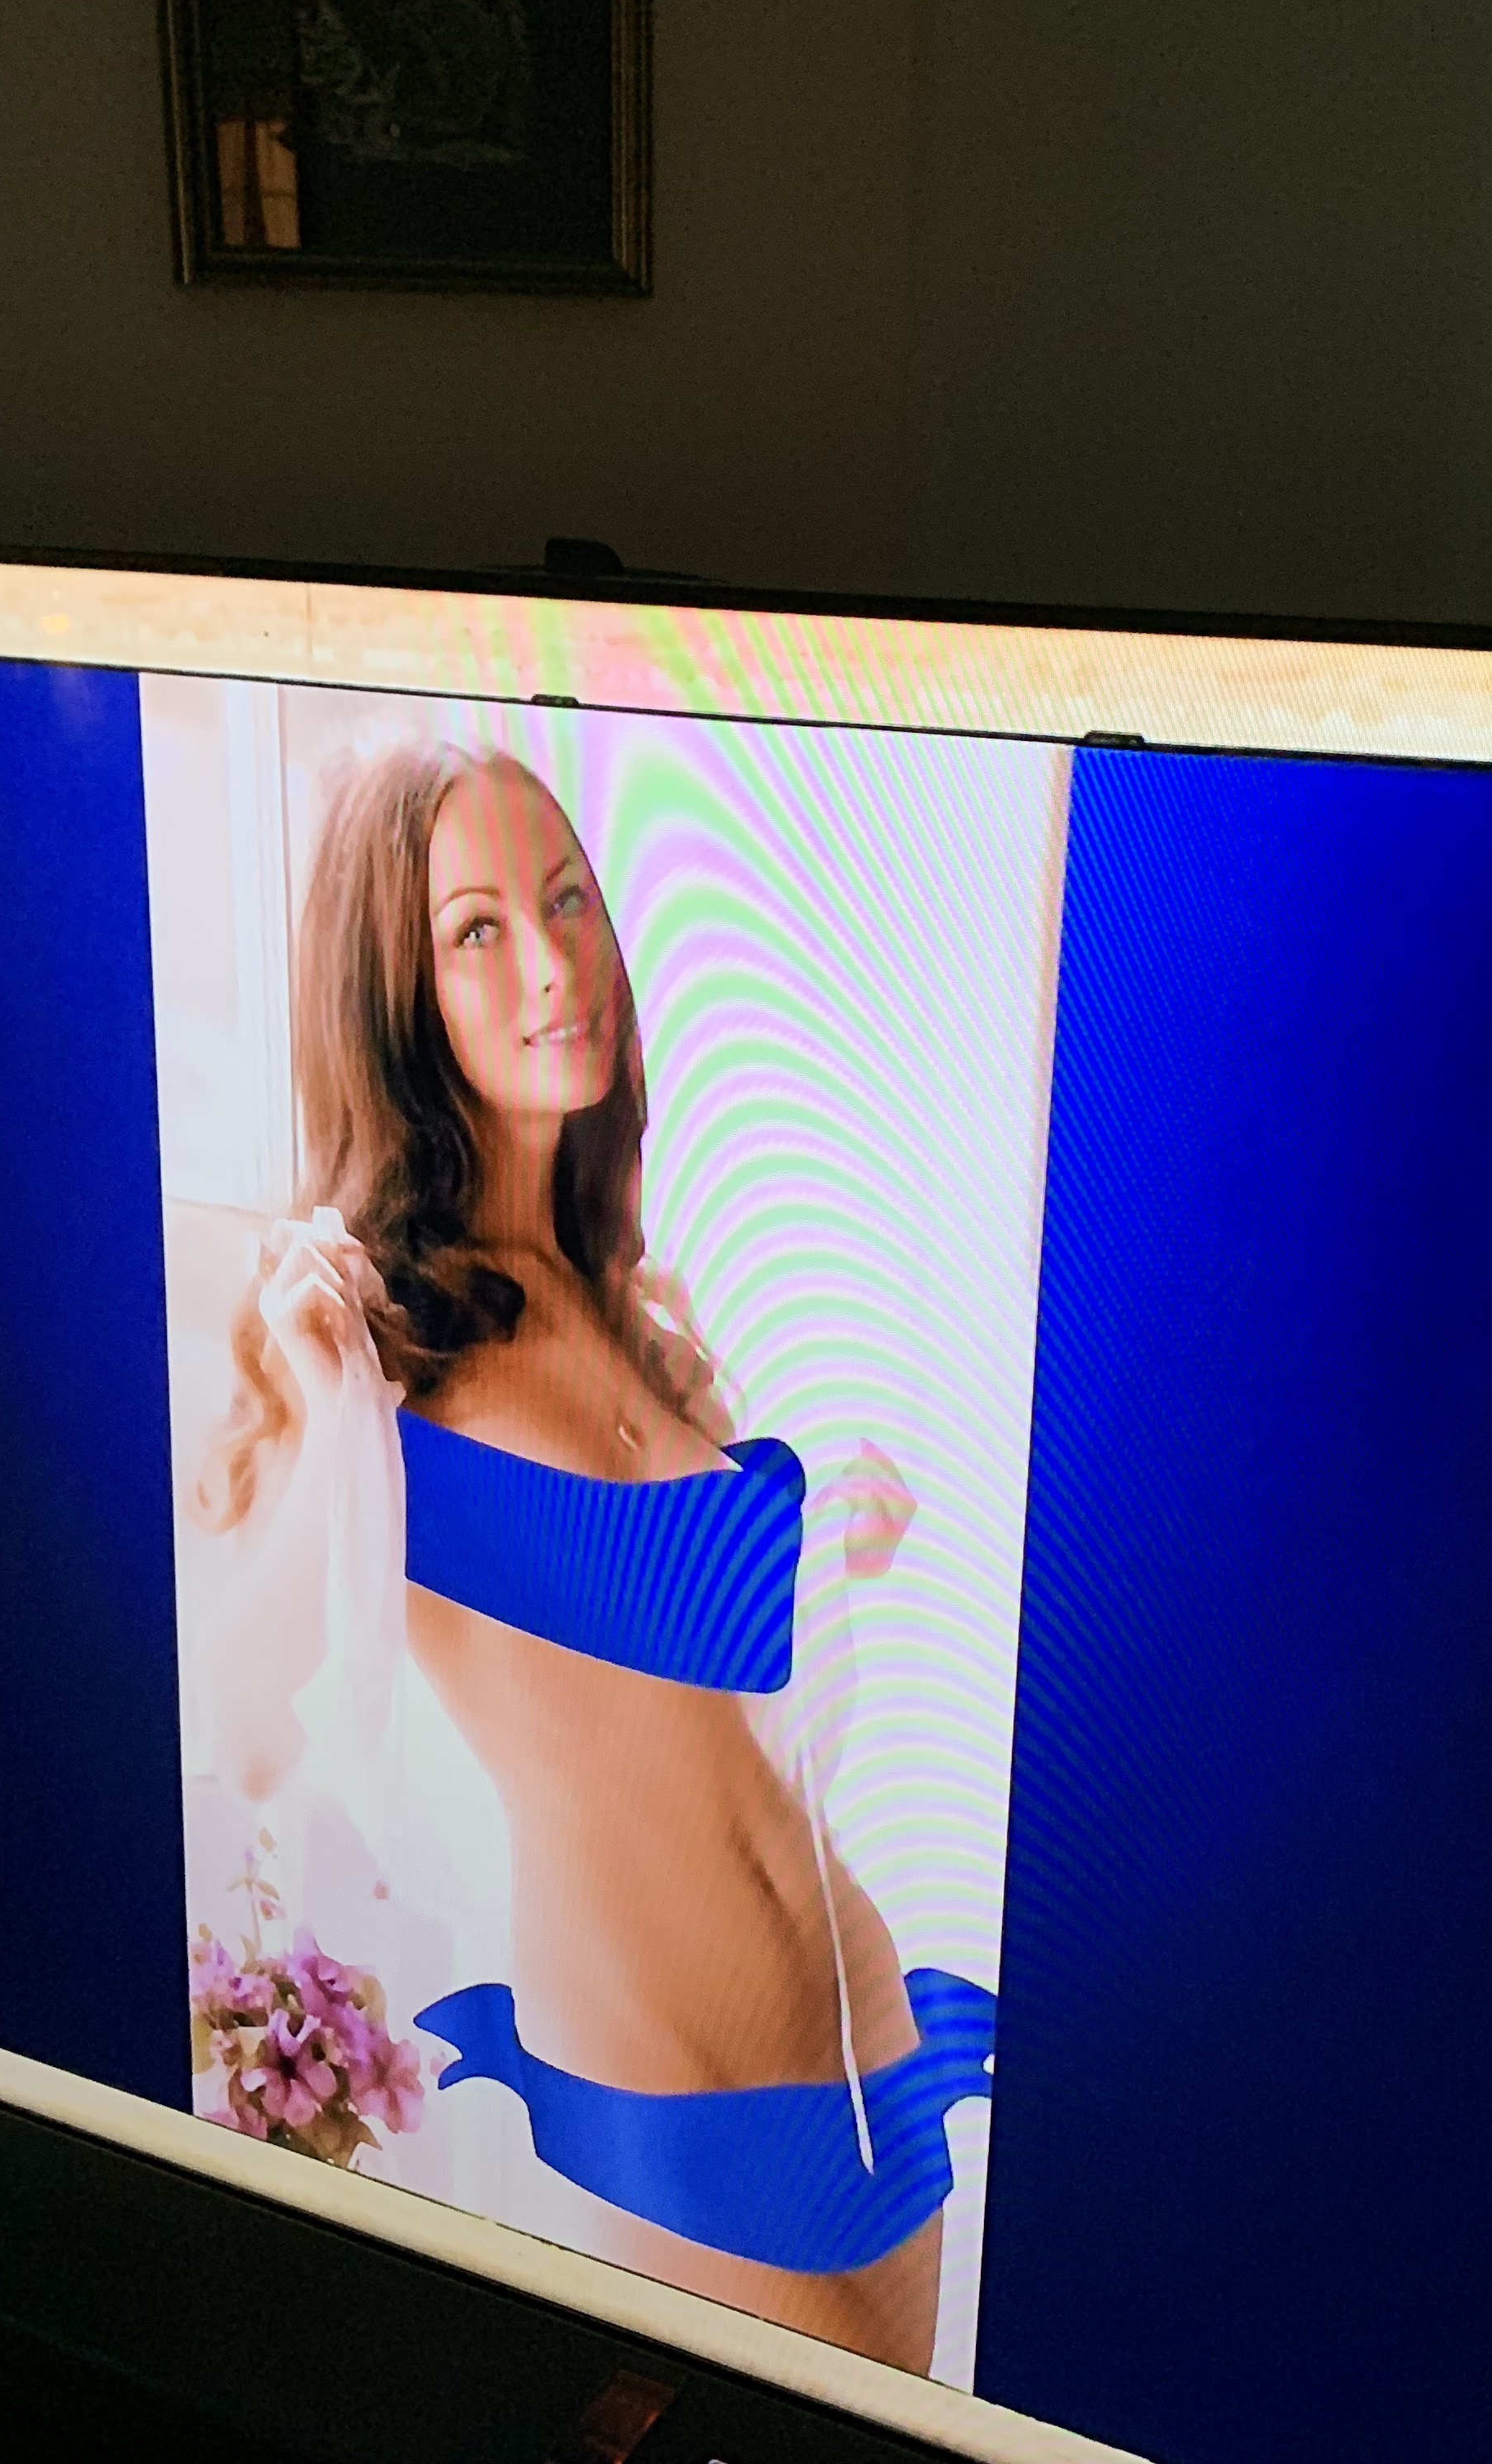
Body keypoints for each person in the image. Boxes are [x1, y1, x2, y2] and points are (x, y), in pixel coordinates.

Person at [193, 744, 978, 2372]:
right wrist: (332, 1416)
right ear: (396, 995)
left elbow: (701, 1706)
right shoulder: (370, 1329)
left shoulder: (632, 1297)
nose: (555, 962)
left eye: (568, 901)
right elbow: (250, 1728)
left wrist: (831, 1551)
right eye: (476, 929)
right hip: (674, 2097)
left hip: (868, 2039)